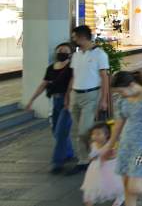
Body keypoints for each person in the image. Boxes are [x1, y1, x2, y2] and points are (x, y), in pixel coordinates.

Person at [103, 71, 142, 206]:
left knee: (134, 186)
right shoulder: (122, 100)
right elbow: (118, 125)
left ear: (131, 85)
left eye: (121, 91)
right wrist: (109, 146)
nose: (120, 95)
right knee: (126, 183)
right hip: (126, 144)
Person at [26, 42, 76, 174]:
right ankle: (69, 153)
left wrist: (68, 98)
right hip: (55, 101)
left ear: (70, 54)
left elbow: (74, 85)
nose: (61, 52)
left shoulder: (72, 68)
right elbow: (43, 85)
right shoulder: (50, 68)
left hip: (67, 103)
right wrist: (31, 100)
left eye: (65, 50)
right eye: (59, 50)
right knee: (57, 131)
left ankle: (57, 162)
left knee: (60, 132)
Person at [68, 25, 110, 175]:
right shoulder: (76, 55)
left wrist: (104, 100)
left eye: (74, 37)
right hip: (76, 95)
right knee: (78, 130)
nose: (73, 40)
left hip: (91, 95)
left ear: (82, 37)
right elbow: (73, 77)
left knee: (84, 130)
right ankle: (85, 159)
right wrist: (68, 95)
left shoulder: (100, 55)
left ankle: (91, 157)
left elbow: (104, 78)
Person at [81, 122, 125, 206]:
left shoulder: (110, 145)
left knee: (114, 184)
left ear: (107, 135)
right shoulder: (93, 144)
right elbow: (92, 156)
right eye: (93, 134)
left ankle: (120, 196)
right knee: (92, 186)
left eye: (98, 134)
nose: (95, 136)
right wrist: (92, 157)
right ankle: (89, 200)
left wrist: (109, 156)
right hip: (95, 169)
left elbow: (115, 155)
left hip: (110, 168)